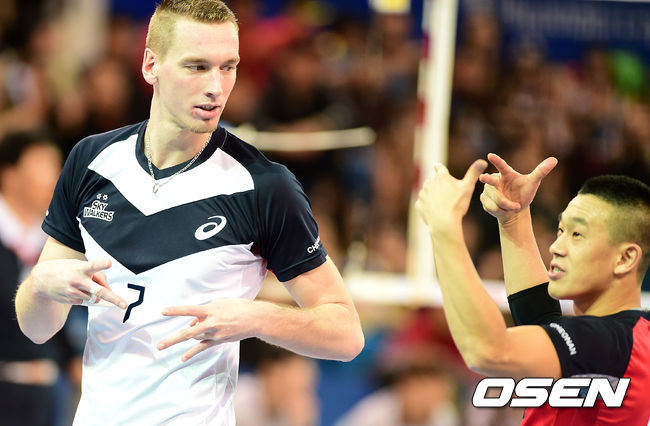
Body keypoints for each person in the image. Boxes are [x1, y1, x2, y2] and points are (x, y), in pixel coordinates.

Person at [14, 1, 364, 425]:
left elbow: (346, 334)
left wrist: (255, 317)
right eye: (197, 67)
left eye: (228, 67)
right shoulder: (92, 160)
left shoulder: (263, 186)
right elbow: (36, 328)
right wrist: (41, 285)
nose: (216, 86)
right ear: (151, 65)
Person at [415, 153, 650, 424]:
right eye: (560, 231)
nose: (556, 247)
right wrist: (513, 217)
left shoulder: (608, 340)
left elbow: (488, 351)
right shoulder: (629, 337)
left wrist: (444, 227)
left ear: (625, 258)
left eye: (577, 234)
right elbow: (543, 323)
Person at [0, 129, 75, 426]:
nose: (54, 178)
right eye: (41, 166)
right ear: (9, 174)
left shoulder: (55, 242)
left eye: (56, 166)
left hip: (49, 390)